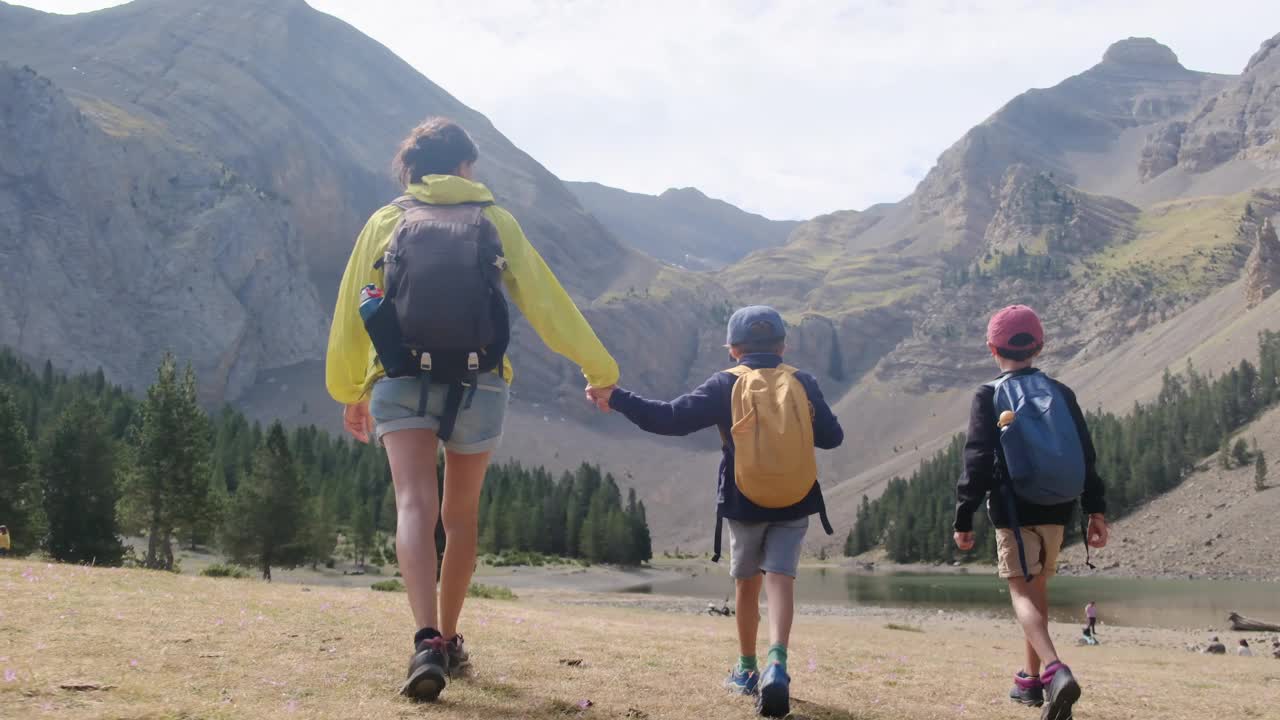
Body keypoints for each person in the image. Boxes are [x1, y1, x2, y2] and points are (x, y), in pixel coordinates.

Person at [326, 117, 619, 702]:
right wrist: (599, 369)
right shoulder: (495, 222)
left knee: (414, 503)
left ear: (412, 169)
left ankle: (425, 638)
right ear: (464, 167)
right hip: (479, 384)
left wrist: (350, 390)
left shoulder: (387, 221)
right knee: (459, 517)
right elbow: (546, 303)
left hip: (400, 379)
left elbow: (353, 311)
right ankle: (451, 639)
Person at [589, 306, 843, 718]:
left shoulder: (725, 384)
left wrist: (616, 397)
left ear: (733, 349)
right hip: (797, 496)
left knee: (747, 584)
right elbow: (833, 438)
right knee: (781, 578)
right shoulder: (803, 382)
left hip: (744, 499)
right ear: (783, 345)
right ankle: (778, 661)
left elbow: (667, 419)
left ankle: (746, 670)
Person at [953, 305, 1108, 719]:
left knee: (1020, 592)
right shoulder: (1061, 392)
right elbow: (1087, 456)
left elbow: (978, 459)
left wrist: (963, 516)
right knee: (1037, 588)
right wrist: (1096, 510)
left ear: (992, 347)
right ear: (1039, 346)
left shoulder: (988, 394)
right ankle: (1030, 680)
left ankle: (1056, 671)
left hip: (1013, 507)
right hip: (1058, 507)